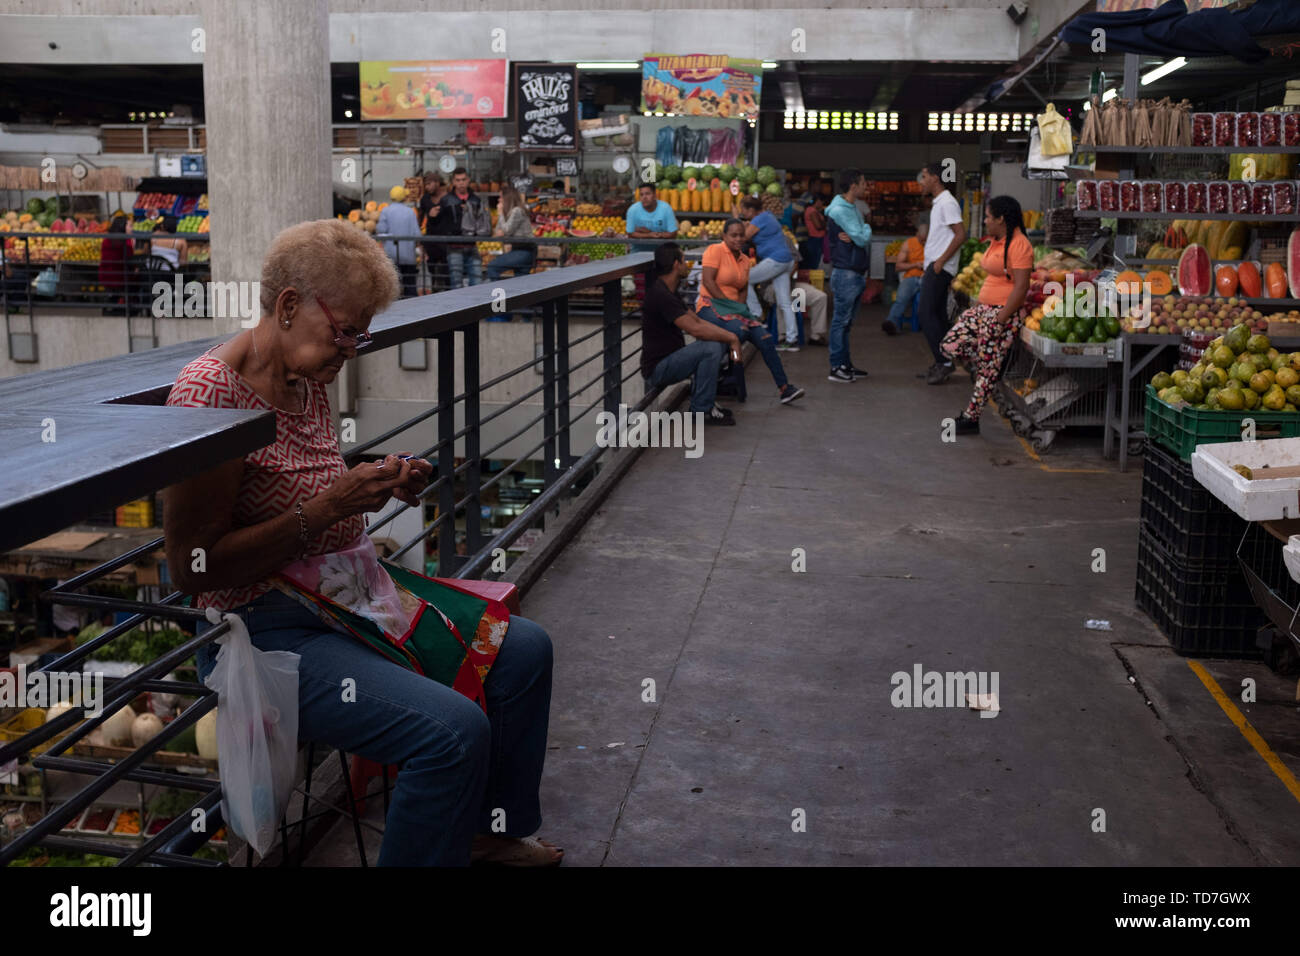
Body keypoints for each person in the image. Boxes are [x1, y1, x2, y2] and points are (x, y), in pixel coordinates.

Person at [163, 219, 561, 867]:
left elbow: (309, 490)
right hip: (264, 633)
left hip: (346, 597)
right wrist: (326, 509)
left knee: (524, 651)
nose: (349, 350)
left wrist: (378, 482)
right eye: (343, 331)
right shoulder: (212, 395)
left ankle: (489, 831)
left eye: (359, 335)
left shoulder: (304, 377)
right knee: (451, 735)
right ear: (289, 305)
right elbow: (191, 568)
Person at [940, 196, 1032, 435]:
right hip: (983, 310)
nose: (985, 220)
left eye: (989, 217)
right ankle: (990, 364)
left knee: (985, 371)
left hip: (1002, 313)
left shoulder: (1020, 245)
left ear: (1001, 219)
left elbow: (1021, 287)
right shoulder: (997, 240)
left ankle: (971, 418)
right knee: (949, 346)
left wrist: (1000, 319)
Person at [697, 219, 804, 405]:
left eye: (741, 235)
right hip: (710, 306)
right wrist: (731, 308)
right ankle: (729, 375)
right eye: (733, 235)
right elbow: (708, 281)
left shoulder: (745, 261)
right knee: (738, 332)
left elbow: (743, 289)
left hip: (734, 310)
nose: (738, 239)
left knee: (765, 338)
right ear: (724, 236)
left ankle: (784, 388)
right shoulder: (715, 251)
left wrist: (738, 310)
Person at [641, 242, 741, 426]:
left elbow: (697, 321)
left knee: (716, 342)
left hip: (672, 359)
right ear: (675, 264)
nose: (686, 264)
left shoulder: (669, 291)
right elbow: (694, 329)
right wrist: (731, 338)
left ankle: (705, 402)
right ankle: (701, 410)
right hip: (659, 369)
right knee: (711, 347)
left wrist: (730, 336)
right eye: (684, 260)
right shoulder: (661, 295)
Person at [918, 161, 967, 384]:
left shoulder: (947, 202)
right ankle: (944, 360)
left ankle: (945, 362)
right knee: (937, 316)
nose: (922, 181)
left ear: (935, 178)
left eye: (924, 177)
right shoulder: (939, 202)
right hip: (935, 266)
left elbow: (960, 235)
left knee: (925, 314)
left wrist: (940, 262)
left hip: (939, 268)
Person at [824, 168, 872, 383]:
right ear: (853, 185)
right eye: (863, 183)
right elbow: (862, 239)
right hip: (846, 273)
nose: (866, 186)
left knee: (846, 323)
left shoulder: (851, 207)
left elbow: (858, 237)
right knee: (840, 322)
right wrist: (867, 228)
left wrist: (860, 232)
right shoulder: (841, 211)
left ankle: (845, 364)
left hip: (854, 272)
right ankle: (836, 367)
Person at [738, 196, 799, 351]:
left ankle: (757, 315)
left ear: (751, 210)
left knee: (745, 278)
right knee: (784, 302)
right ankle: (792, 340)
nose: (742, 212)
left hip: (776, 260)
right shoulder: (768, 216)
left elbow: (743, 237)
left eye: (743, 209)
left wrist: (737, 222)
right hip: (786, 261)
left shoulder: (760, 219)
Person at [484, 185, 535, 321]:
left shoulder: (517, 211)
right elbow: (498, 231)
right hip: (521, 251)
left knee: (493, 267)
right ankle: (526, 317)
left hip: (524, 251)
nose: (499, 200)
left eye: (500, 197)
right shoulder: (512, 212)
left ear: (507, 198)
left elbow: (505, 231)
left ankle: (500, 310)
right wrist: (502, 219)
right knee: (521, 285)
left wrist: (500, 213)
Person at [440, 168, 492, 288]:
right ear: (453, 182)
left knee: (477, 282)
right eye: (458, 180)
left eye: (463, 180)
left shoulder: (476, 200)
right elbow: (442, 225)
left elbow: (481, 221)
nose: (461, 183)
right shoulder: (446, 200)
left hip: (472, 246)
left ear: (468, 180)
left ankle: (477, 307)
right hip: (454, 247)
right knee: (456, 284)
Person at [881, 213, 929, 335]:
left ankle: (925, 324)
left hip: (928, 278)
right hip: (911, 277)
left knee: (925, 301)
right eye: (921, 240)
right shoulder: (909, 243)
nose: (923, 243)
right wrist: (915, 265)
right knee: (901, 299)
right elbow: (898, 266)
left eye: (925, 240)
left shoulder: (934, 244)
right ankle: (891, 323)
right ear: (917, 234)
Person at [376, 186, 421, 298]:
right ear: (404, 197)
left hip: (391, 254)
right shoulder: (410, 212)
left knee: (393, 286)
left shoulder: (386, 211)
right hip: (408, 256)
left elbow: (381, 230)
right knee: (410, 285)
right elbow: (417, 234)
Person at [418, 172, 451, 291]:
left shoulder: (449, 198)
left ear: (437, 183)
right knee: (432, 271)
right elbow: (420, 218)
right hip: (430, 241)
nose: (426, 187)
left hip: (447, 241)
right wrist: (420, 242)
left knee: (447, 272)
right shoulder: (425, 199)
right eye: (425, 185)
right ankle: (434, 295)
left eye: (428, 184)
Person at [625, 182, 678, 253]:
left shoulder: (666, 208)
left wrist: (652, 233)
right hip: (638, 253)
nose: (644, 197)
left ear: (654, 195)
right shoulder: (633, 210)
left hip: (663, 253)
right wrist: (649, 235)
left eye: (647, 194)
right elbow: (630, 233)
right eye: (641, 195)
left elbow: (673, 233)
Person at [99, 214, 133, 315]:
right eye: (130, 226)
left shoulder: (106, 240)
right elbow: (130, 260)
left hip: (105, 276)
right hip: (120, 277)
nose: (132, 228)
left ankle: (115, 302)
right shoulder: (126, 242)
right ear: (123, 227)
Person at [801, 194, 826, 270]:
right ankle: (812, 281)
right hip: (815, 239)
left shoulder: (813, 211)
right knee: (814, 263)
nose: (822, 204)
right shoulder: (812, 210)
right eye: (822, 202)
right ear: (818, 201)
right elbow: (818, 226)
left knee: (815, 262)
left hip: (816, 239)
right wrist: (824, 223)